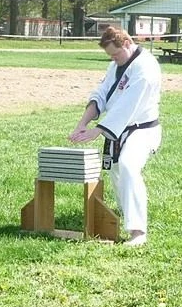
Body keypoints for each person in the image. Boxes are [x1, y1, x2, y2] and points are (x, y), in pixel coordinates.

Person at [68, 27, 162, 246]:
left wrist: (97, 130)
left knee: (129, 166)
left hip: (143, 129)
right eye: (110, 56)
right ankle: (126, 210)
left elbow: (128, 105)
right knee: (117, 172)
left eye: (116, 54)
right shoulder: (116, 65)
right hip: (120, 129)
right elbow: (101, 94)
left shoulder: (146, 68)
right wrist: (82, 124)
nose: (113, 59)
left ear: (127, 44)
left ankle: (138, 232)